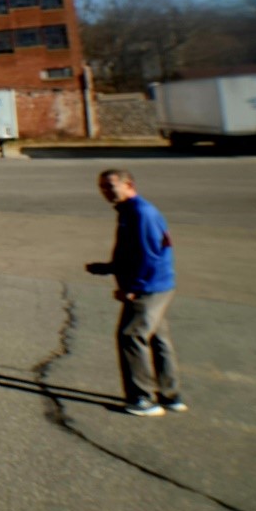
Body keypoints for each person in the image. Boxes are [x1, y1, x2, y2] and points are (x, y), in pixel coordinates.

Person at [85, 168, 185, 417]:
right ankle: (170, 395)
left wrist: (132, 289)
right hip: (155, 284)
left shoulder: (141, 212)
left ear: (129, 184)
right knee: (157, 339)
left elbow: (149, 255)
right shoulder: (129, 211)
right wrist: (108, 268)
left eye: (110, 186)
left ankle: (143, 399)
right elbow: (133, 252)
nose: (106, 192)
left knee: (131, 335)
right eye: (102, 187)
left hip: (150, 286)